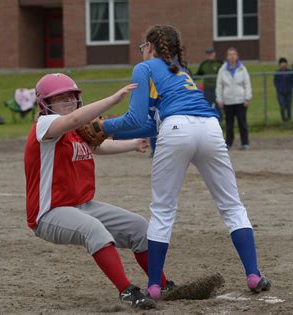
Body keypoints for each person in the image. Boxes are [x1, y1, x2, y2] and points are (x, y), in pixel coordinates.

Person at [101, 25, 271, 300]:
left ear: (152, 46)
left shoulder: (144, 69)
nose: (142, 51)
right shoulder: (180, 71)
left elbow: (136, 119)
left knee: (163, 211)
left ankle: (155, 285)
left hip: (177, 129)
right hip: (211, 129)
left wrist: (101, 126)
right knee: (232, 206)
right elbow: (150, 123)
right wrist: (108, 130)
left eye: (143, 46)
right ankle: (253, 274)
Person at [24, 73, 174, 310]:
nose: (68, 102)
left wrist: (133, 144)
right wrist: (113, 100)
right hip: (48, 213)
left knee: (140, 228)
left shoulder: (74, 130)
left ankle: (163, 284)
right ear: (45, 104)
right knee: (94, 230)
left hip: (81, 206)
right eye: (59, 98)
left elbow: (98, 146)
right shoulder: (44, 125)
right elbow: (73, 119)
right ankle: (126, 291)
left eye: (71, 97)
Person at [216, 47, 252, 150]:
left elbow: (247, 84)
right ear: (227, 57)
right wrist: (219, 99)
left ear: (237, 56)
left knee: (242, 123)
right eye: (230, 54)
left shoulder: (242, 69)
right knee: (229, 124)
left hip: (241, 101)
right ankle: (229, 143)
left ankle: (245, 143)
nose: (232, 56)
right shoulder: (222, 70)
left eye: (234, 54)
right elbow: (219, 86)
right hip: (228, 101)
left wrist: (247, 98)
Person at [196, 48, 224, 120]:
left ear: (214, 54)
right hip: (207, 89)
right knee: (207, 105)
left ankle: (220, 121)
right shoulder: (204, 64)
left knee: (218, 105)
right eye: (208, 54)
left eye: (211, 53)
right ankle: (208, 120)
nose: (210, 55)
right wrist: (190, 76)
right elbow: (199, 74)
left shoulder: (219, 63)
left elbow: (224, 75)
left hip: (217, 88)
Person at [273, 57, 293, 122]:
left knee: (288, 106)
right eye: (282, 63)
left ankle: (289, 119)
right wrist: (279, 88)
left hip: (288, 92)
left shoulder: (290, 72)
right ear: (279, 64)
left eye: (284, 63)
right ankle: (284, 119)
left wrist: (290, 87)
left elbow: (292, 81)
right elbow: (275, 82)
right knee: (282, 105)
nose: (283, 64)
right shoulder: (277, 73)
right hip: (280, 92)